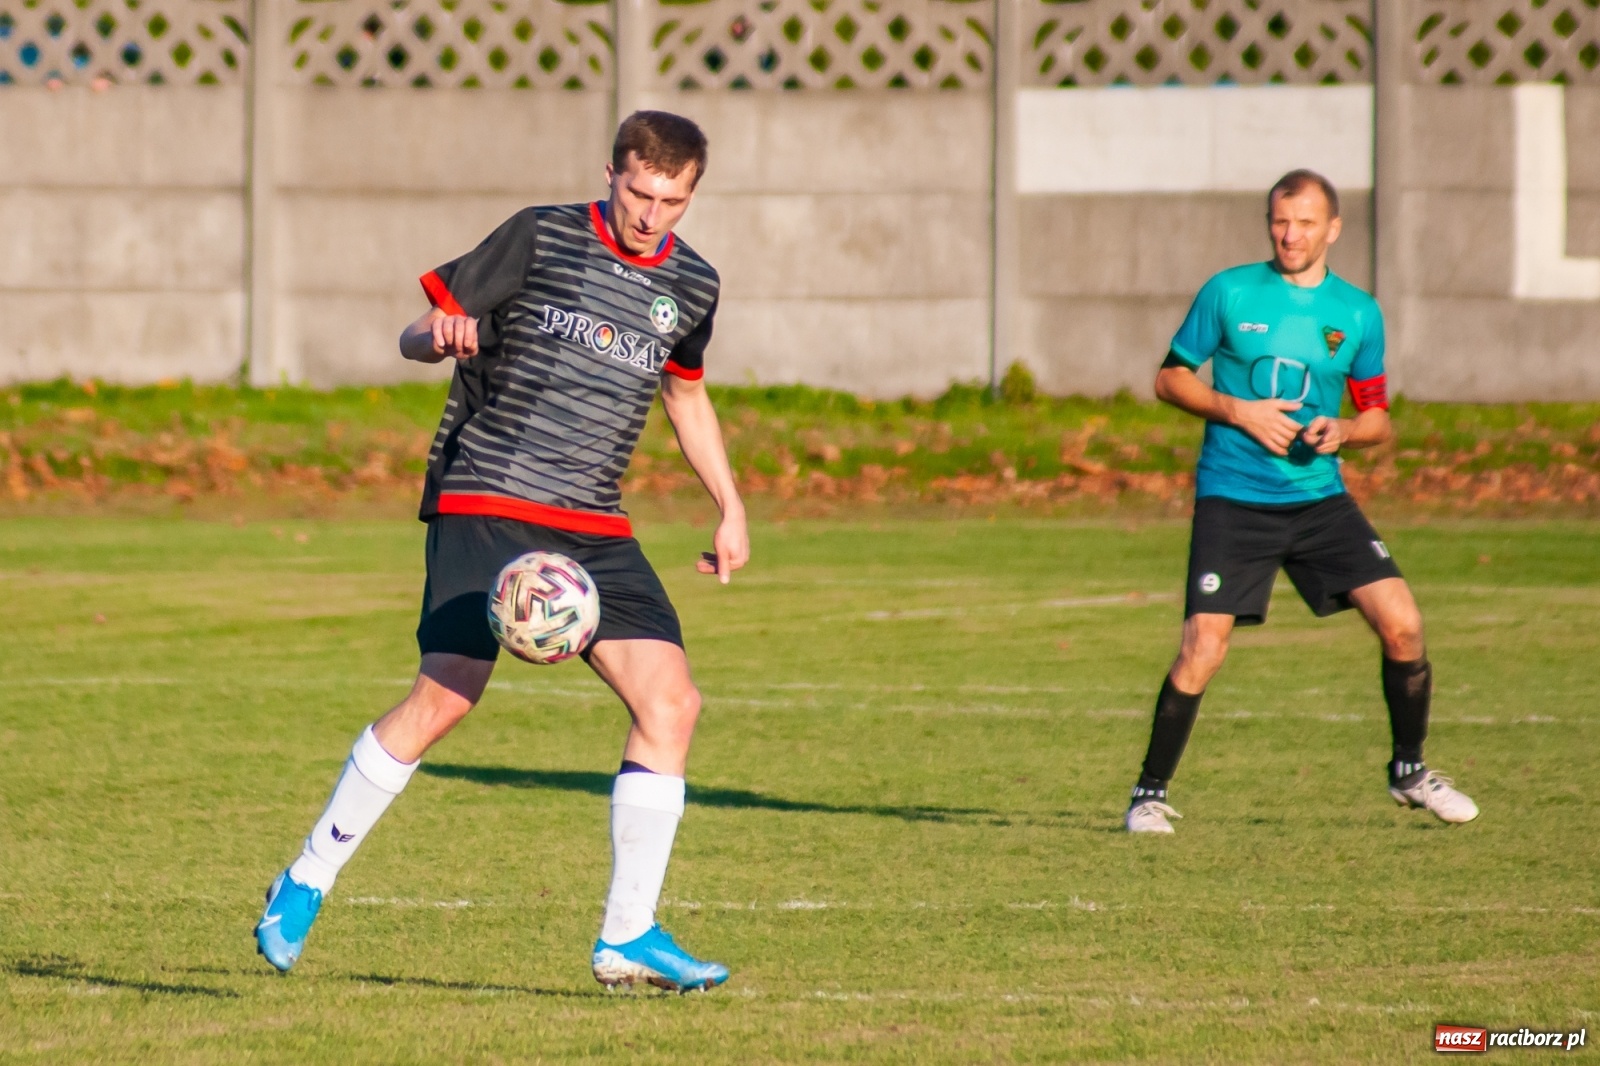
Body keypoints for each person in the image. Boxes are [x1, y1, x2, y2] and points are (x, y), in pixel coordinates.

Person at [254, 111, 749, 991]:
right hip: (489, 493)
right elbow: (415, 333)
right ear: (611, 174)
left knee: (672, 703)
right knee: (446, 695)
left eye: (672, 201)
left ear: (692, 195)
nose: (651, 215)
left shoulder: (694, 283)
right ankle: (306, 879)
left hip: (593, 521)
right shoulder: (539, 235)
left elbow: (685, 396)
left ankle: (627, 936)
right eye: (639, 193)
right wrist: (439, 335)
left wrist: (729, 504)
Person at [1122, 169, 1478, 834]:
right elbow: (1169, 379)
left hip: (1320, 501)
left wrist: (1344, 430)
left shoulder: (1358, 313)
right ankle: (1148, 795)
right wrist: (1237, 410)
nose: (1291, 235)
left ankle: (1410, 772)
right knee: (1204, 646)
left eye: (1306, 223)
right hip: (1234, 499)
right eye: (1281, 221)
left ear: (1333, 229)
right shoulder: (1229, 292)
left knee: (1403, 623)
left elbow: (1378, 420)